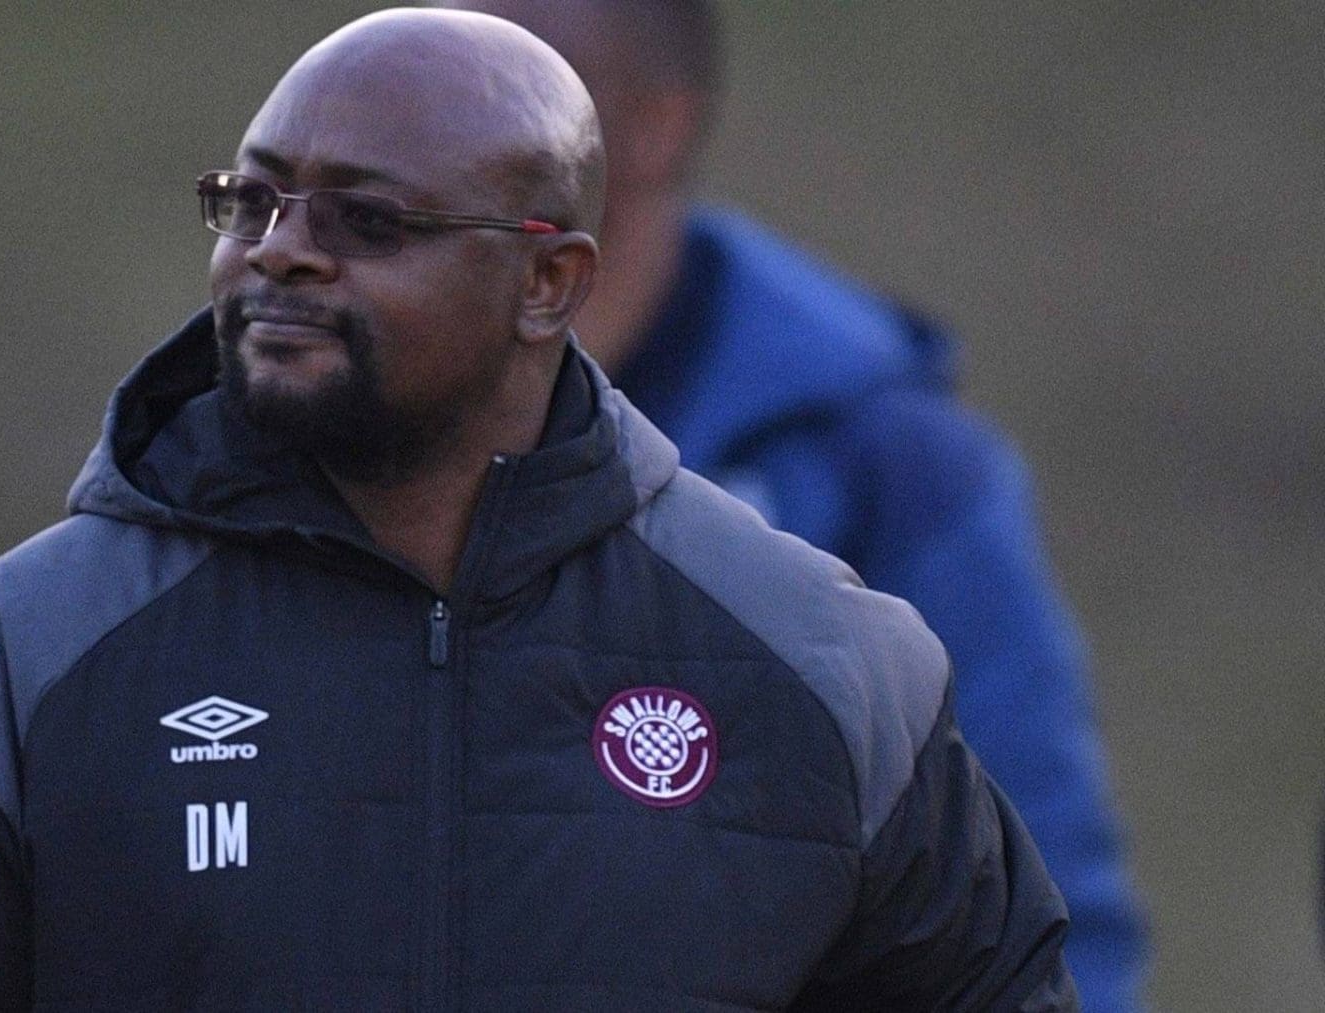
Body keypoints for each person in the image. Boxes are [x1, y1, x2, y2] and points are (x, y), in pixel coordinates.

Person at [0, 9, 1075, 1009]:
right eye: (252, 200)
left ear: (548, 283)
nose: (280, 249)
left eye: (368, 221)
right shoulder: (22, 656)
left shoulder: (824, 663)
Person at [439, 1, 1150, 1008]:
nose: (441, 117)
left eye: (514, 77)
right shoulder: (335, 426)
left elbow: (1043, 906)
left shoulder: (887, 471)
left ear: (657, 124)